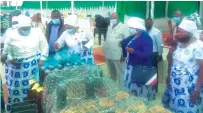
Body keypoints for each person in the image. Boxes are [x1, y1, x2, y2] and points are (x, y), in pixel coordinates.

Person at [2, 15, 49, 112]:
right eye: (23, 29)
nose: (26, 30)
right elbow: (7, 51)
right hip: (17, 68)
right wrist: (11, 59)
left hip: (33, 66)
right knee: (15, 90)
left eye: (28, 28)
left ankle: (32, 108)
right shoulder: (11, 34)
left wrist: (42, 59)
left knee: (33, 88)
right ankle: (17, 108)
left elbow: (45, 46)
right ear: (18, 27)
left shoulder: (37, 32)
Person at [162, 20, 203, 113]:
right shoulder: (180, 44)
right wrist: (169, 75)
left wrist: (196, 90)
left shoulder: (198, 46)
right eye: (178, 31)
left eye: (181, 32)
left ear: (190, 33)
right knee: (175, 108)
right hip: (175, 86)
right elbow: (172, 61)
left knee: (188, 109)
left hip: (189, 88)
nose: (177, 34)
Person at [120, 17, 155, 100]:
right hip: (131, 66)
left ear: (138, 27)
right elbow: (123, 43)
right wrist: (124, 53)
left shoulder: (146, 38)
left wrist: (134, 52)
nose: (131, 29)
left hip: (140, 68)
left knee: (138, 91)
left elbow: (148, 54)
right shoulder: (134, 35)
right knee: (129, 87)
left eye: (132, 27)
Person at [102, 12, 130, 87]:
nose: (112, 20)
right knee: (112, 74)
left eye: (114, 18)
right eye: (111, 18)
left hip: (118, 56)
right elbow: (107, 39)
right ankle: (113, 90)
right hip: (108, 54)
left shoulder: (124, 27)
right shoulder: (109, 27)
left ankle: (122, 91)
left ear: (118, 18)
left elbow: (127, 42)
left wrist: (124, 55)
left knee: (121, 74)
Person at [145, 18, 163, 92]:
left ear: (152, 23)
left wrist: (160, 54)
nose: (147, 24)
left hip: (153, 54)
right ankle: (147, 88)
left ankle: (154, 90)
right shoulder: (143, 31)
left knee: (153, 73)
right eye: (146, 23)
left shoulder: (157, 32)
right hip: (145, 54)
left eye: (149, 23)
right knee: (145, 72)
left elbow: (159, 44)